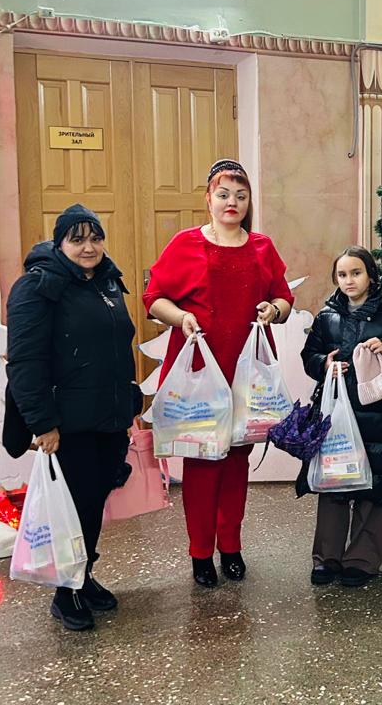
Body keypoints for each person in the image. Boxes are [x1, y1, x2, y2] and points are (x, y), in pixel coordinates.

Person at [142, 159, 293, 588]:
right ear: (208, 199)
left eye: (240, 196)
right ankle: (199, 553)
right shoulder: (185, 243)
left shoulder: (262, 246)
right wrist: (181, 317)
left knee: (236, 462)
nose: (232, 202)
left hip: (246, 374)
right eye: (224, 194)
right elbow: (154, 298)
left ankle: (231, 546)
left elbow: (283, 298)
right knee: (202, 463)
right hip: (199, 373)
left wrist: (273, 309)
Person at [5, 204, 142, 632]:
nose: (88, 247)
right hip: (68, 424)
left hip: (108, 417)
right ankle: (65, 593)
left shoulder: (105, 282)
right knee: (74, 508)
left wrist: (129, 405)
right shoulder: (37, 287)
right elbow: (24, 361)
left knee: (93, 505)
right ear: (59, 242)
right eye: (77, 239)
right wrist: (42, 423)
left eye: (95, 238)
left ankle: (82, 575)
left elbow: (117, 349)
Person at [299, 247, 382, 587]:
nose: (349, 280)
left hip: (378, 415)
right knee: (334, 481)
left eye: (356, 273)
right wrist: (324, 363)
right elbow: (309, 355)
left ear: (371, 276)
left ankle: (362, 559)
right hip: (336, 410)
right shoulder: (327, 316)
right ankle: (326, 557)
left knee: (374, 485)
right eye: (342, 275)